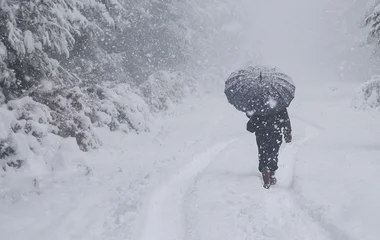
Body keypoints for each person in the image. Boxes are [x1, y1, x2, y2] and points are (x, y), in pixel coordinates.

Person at [246, 108, 292, 189]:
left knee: (263, 152)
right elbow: (285, 118)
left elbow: (251, 123)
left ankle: (265, 172)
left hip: (261, 132)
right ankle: (271, 173)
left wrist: (251, 118)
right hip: (275, 131)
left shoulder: (257, 103)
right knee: (273, 153)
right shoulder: (279, 102)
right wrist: (287, 132)